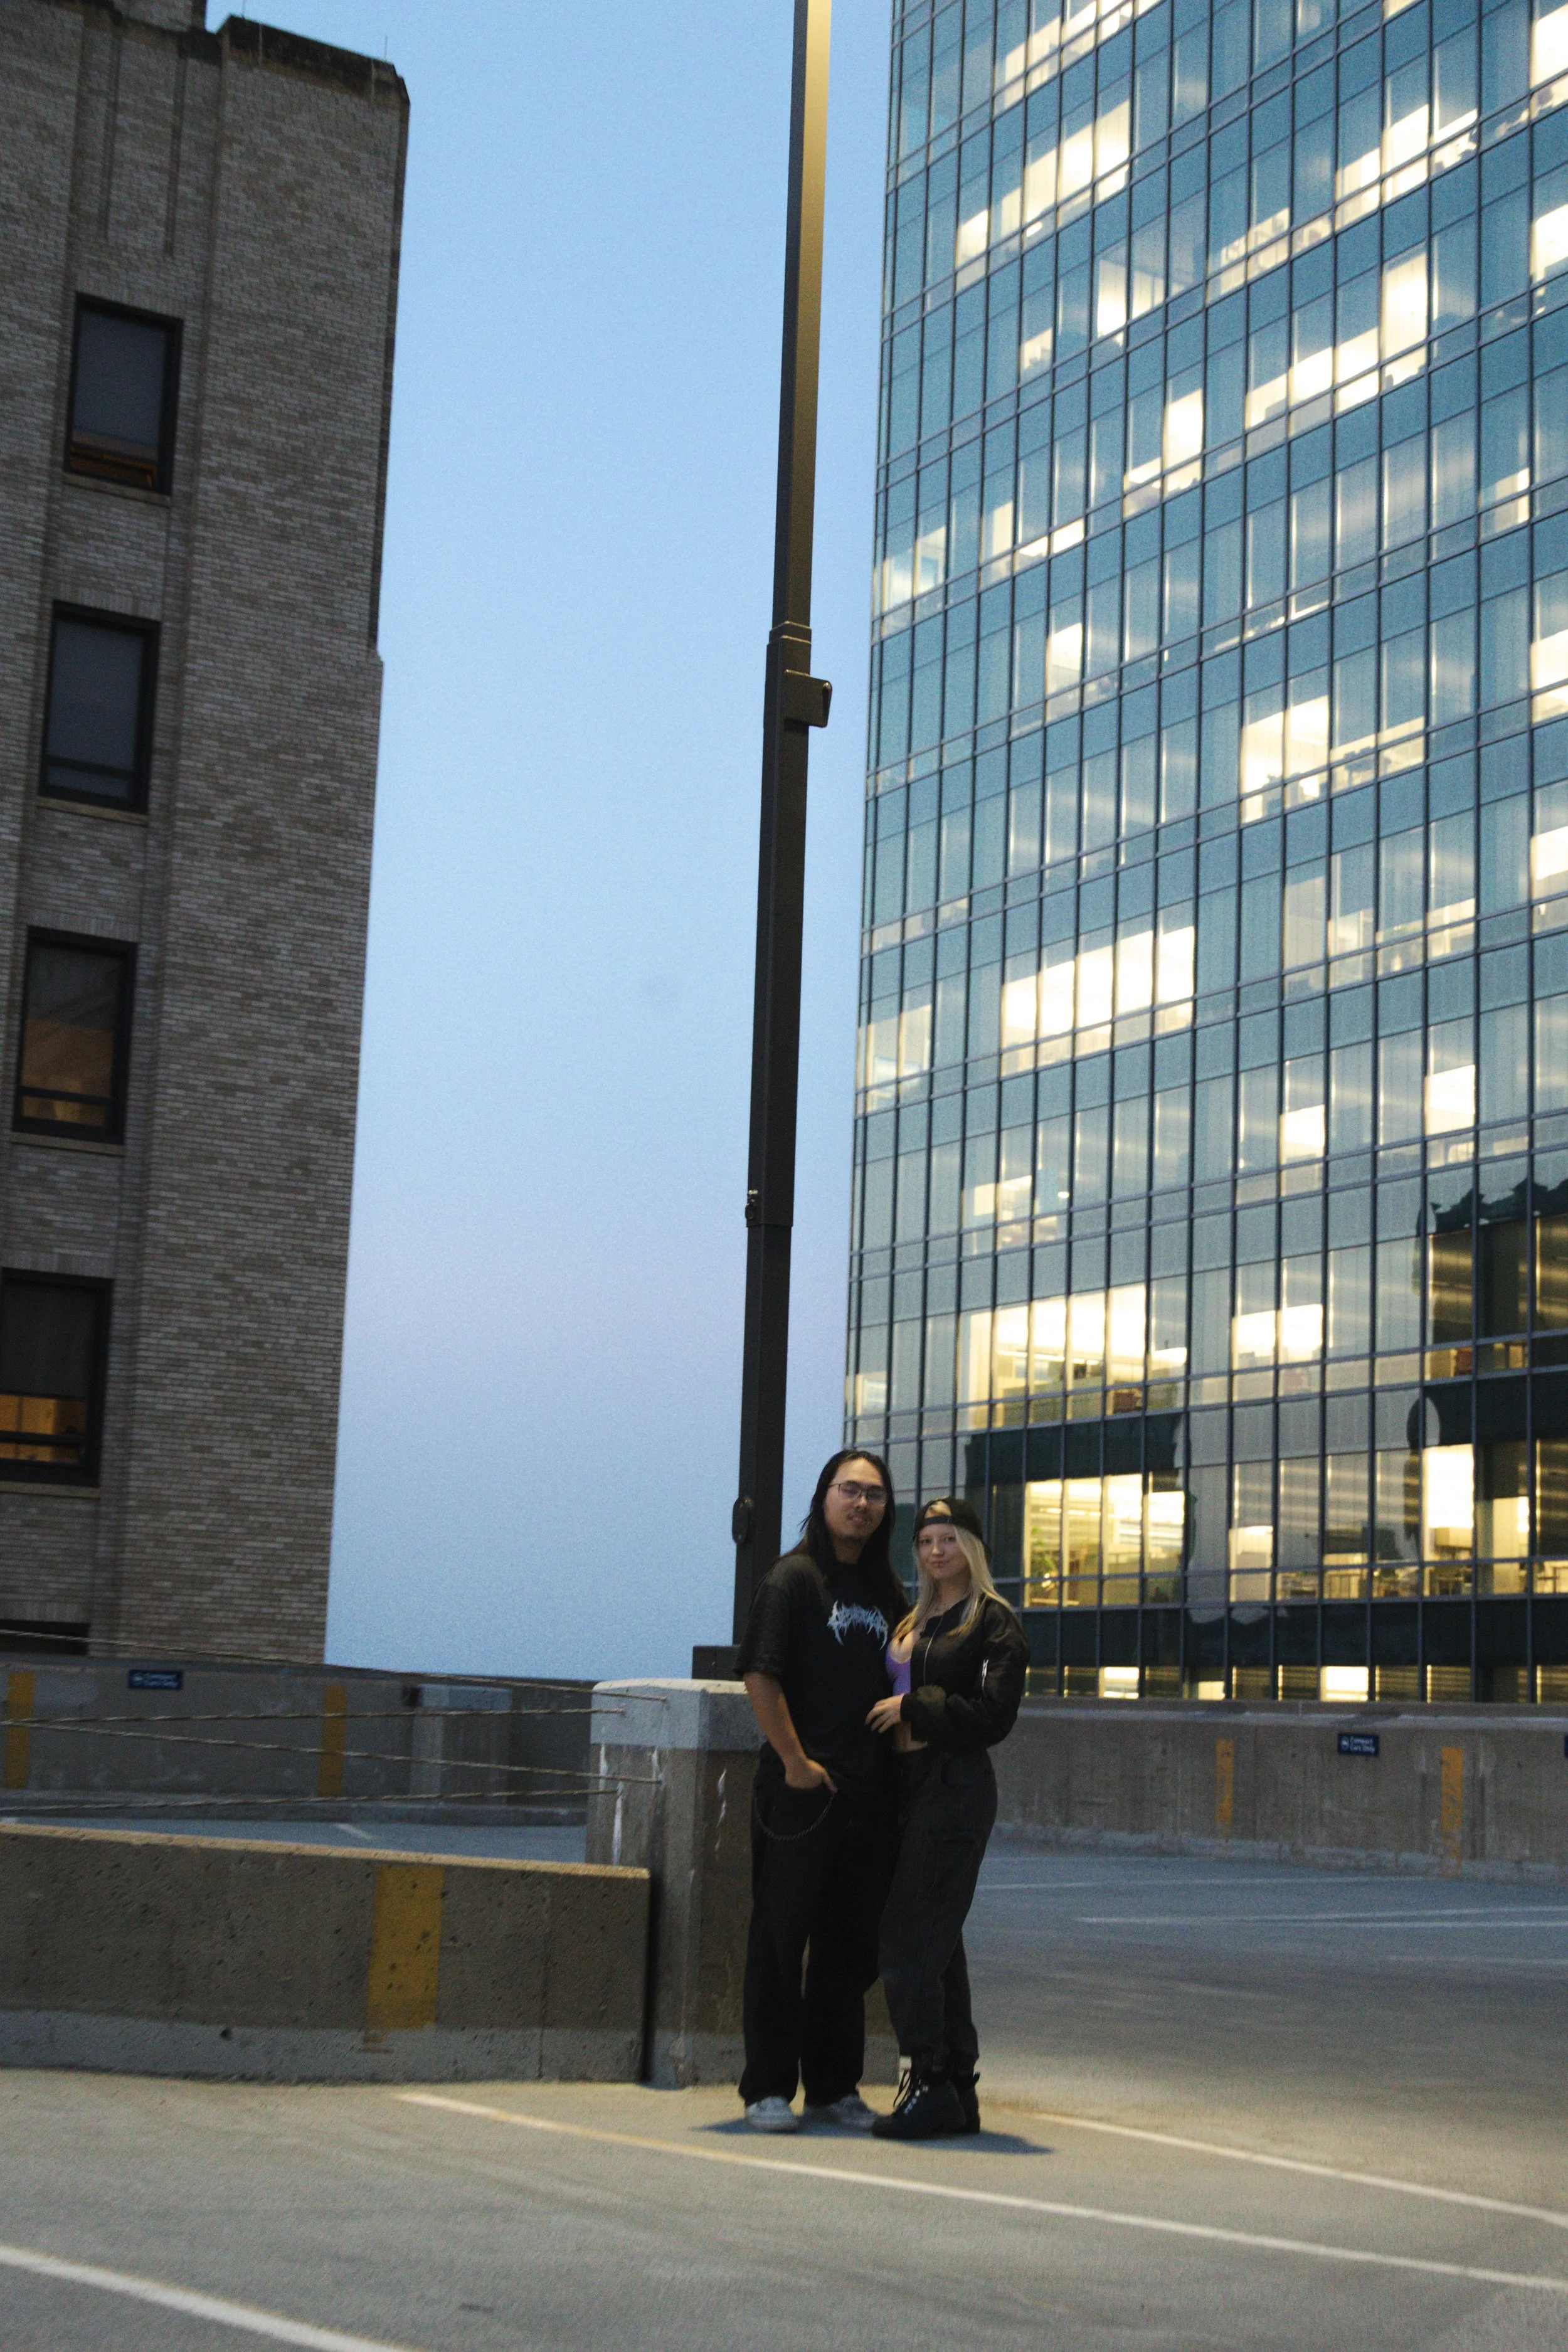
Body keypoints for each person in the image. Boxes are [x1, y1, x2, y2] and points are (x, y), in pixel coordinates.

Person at [736, 1449, 906, 2134]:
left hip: (869, 1797)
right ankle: (767, 2088)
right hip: (800, 1794)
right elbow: (760, 1673)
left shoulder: (886, 1590)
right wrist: (796, 1762)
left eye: (874, 1494)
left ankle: (834, 2087)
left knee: (849, 1948)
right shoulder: (792, 1579)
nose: (861, 1504)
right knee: (781, 1941)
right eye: (849, 1490)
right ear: (824, 1497)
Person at [865, 1496, 1028, 2140]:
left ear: (973, 1547)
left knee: (907, 1943)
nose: (937, 1551)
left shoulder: (993, 1622)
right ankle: (957, 2087)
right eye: (927, 1541)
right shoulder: (917, 1616)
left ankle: (927, 2082)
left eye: (950, 1539)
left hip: (953, 1787)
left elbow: (994, 1716)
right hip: (904, 1787)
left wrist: (916, 1709)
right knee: (939, 1946)